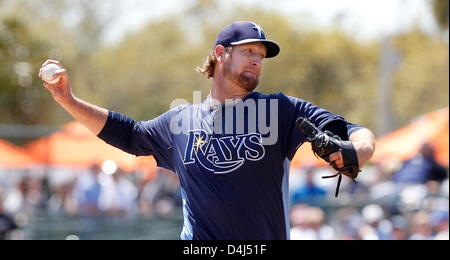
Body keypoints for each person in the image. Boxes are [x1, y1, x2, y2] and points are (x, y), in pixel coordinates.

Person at [39, 21, 375, 240]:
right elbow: (127, 134)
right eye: (248, 51)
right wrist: (68, 99)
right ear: (220, 54)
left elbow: (353, 130)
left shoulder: (279, 110)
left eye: (261, 55)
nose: (257, 60)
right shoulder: (180, 121)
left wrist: (359, 150)